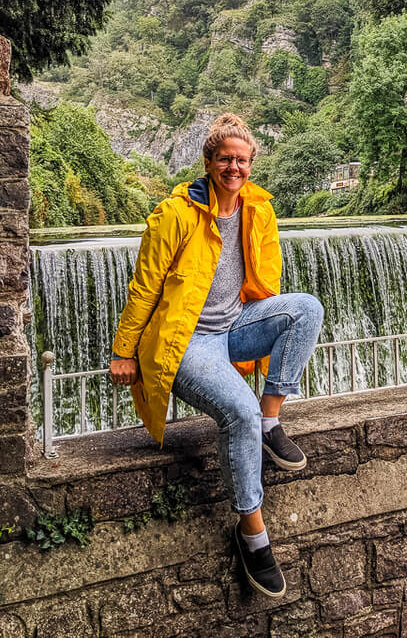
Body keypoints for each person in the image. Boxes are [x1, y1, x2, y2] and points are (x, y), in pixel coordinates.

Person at [109, 113, 324, 598]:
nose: (234, 168)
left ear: (251, 164)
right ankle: (253, 534)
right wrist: (124, 350)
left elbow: (267, 281)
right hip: (187, 341)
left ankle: (271, 420)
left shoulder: (258, 210)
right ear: (208, 162)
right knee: (237, 410)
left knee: (306, 309)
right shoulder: (175, 214)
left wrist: (268, 332)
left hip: (237, 325)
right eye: (226, 159)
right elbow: (144, 286)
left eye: (242, 160)